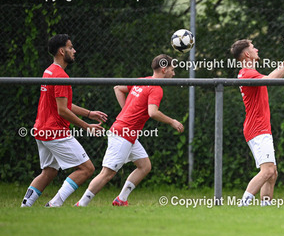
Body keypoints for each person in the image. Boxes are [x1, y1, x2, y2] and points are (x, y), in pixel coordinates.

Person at [75, 54, 184, 206]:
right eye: (172, 69)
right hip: (122, 135)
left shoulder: (142, 80)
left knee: (144, 166)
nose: (174, 73)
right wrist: (172, 121)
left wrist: (127, 109)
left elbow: (118, 88)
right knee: (107, 174)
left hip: (128, 134)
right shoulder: (156, 88)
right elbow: (153, 112)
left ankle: (121, 199)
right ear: (164, 70)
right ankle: (81, 204)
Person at [21, 34, 108, 207]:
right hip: (55, 132)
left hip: (41, 129)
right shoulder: (60, 76)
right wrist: (86, 126)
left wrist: (89, 113)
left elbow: (63, 104)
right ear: (62, 51)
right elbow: (62, 110)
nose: (74, 51)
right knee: (86, 169)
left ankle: (25, 206)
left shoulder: (49, 71)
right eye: (70, 47)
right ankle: (54, 204)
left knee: (49, 172)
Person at [230, 39, 284, 206]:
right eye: (253, 48)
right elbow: (271, 79)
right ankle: (242, 204)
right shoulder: (247, 73)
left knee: (272, 173)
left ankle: (265, 206)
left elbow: (271, 76)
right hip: (257, 128)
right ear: (247, 54)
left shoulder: (250, 72)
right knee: (267, 171)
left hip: (260, 128)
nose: (257, 50)